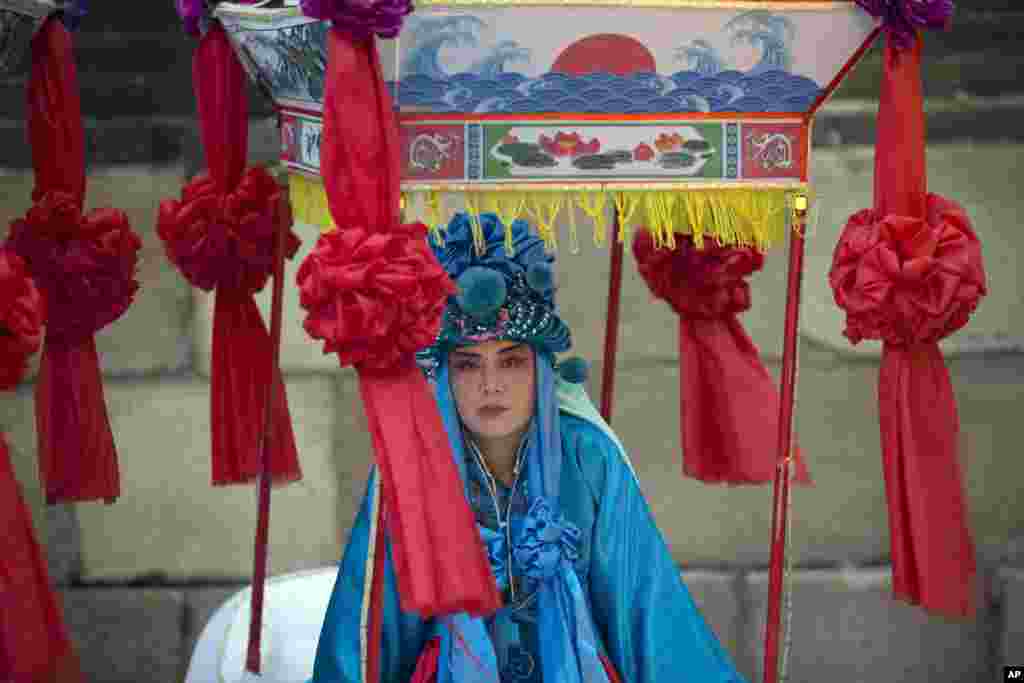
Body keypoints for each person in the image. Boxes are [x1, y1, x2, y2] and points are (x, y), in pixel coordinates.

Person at [312, 212, 748, 683]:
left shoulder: (587, 456)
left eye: (512, 361)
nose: (491, 385)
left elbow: (646, 609)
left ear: (541, 368)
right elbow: (369, 636)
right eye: (467, 364)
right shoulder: (412, 466)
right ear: (442, 375)